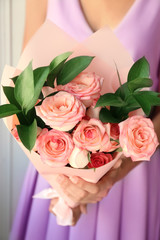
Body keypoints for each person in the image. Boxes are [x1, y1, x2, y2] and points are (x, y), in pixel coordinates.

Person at [10, 0, 160, 239]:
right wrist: (63, 182)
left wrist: (113, 175)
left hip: (133, 175)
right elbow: (25, 87)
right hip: (52, 168)